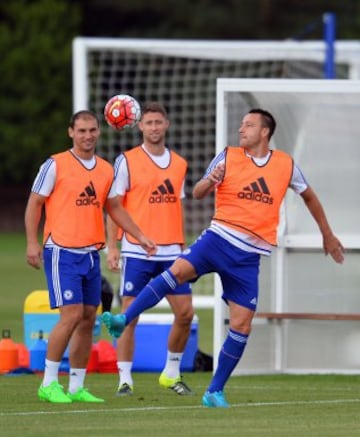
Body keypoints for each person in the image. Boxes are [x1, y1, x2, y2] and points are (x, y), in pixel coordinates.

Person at [102, 108, 344, 408]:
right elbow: (199, 191)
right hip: (218, 239)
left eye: (249, 125)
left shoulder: (285, 164)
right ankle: (123, 318)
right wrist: (211, 180)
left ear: (265, 132)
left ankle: (214, 391)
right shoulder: (228, 155)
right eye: (241, 124)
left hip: (248, 257)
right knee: (177, 271)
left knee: (242, 325)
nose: (242, 129)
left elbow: (309, 195)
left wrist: (327, 234)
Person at [25, 110, 156, 404]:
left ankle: (76, 386)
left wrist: (140, 235)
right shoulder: (55, 164)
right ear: (71, 132)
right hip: (61, 251)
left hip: (90, 254)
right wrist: (32, 243)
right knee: (70, 316)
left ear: (99, 132)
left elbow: (114, 208)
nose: (87, 136)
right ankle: (48, 383)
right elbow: (35, 203)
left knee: (87, 319)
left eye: (92, 130)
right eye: (81, 131)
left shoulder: (106, 170)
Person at [106, 102, 194, 396]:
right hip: (136, 251)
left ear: (167, 124)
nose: (154, 127)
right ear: (139, 126)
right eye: (149, 123)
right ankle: (125, 380)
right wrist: (113, 246)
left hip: (172, 253)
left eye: (159, 122)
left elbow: (176, 205)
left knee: (185, 314)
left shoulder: (180, 163)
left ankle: (171, 373)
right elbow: (113, 207)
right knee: (130, 315)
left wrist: (182, 244)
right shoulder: (126, 161)